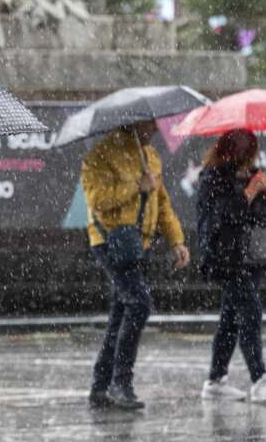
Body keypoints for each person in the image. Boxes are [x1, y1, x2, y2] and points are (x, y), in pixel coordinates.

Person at [82, 120, 190, 410]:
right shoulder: (101, 155)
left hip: (139, 244)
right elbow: (96, 199)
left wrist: (176, 240)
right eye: (148, 124)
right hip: (111, 242)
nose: (154, 129)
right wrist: (135, 186)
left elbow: (163, 203)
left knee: (121, 312)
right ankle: (121, 382)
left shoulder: (150, 156)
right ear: (132, 123)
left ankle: (100, 386)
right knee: (139, 304)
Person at [197, 129, 266, 403]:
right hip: (225, 258)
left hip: (251, 256)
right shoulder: (212, 177)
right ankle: (259, 378)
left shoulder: (254, 173)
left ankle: (215, 379)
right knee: (250, 310)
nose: (252, 157)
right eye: (249, 152)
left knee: (231, 318)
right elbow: (225, 218)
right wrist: (249, 192)